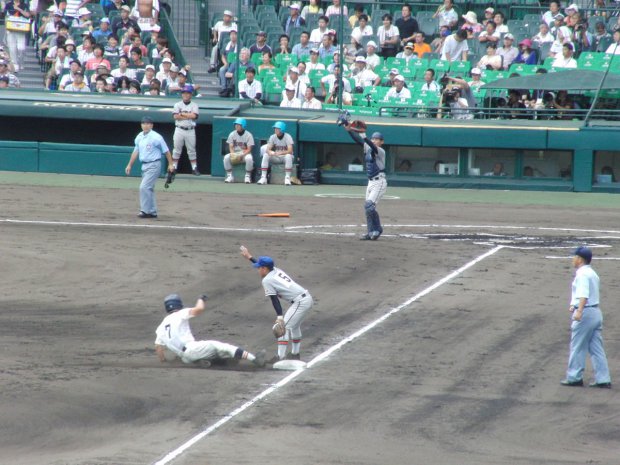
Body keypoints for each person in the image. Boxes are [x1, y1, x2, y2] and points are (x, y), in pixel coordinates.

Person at [239, 246, 314, 363]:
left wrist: (280, 317)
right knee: (294, 327)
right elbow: (264, 267)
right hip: (306, 298)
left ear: (264, 269)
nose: (258, 269)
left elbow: (274, 299)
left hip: (300, 302)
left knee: (283, 328)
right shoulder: (275, 270)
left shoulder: (266, 280)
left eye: (259, 268)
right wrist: (249, 257)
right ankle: (295, 354)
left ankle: (280, 358)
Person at [155, 293, 265, 368]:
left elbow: (158, 347)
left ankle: (201, 362)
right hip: (193, 349)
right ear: (178, 304)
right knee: (220, 347)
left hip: (185, 358)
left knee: (215, 354)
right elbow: (199, 309)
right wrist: (201, 299)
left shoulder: (161, 327)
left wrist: (164, 362)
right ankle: (254, 359)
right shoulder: (180, 314)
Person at [560, 247, 611, 388]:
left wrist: (579, 310)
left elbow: (584, 295)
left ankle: (574, 377)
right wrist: (573, 305)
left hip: (586, 314)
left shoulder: (582, 274)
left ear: (580, 259)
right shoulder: (592, 273)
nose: (573, 259)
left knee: (577, 346)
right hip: (595, 313)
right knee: (596, 348)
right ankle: (603, 379)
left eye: (574, 256)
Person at [342, 122, 387, 240]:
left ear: (381, 142)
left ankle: (377, 229)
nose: (375, 140)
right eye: (373, 138)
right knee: (367, 208)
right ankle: (370, 232)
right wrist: (348, 128)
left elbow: (371, 145)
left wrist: (364, 136)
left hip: (379, 182)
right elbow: (359, 141)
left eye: (377, 139)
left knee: (369, 206)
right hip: (371, 182)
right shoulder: (367, 145)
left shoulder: (381, 151)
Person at [124, 116, 174, 218]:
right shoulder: (139, 136)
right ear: (141, 125)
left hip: (154, 164)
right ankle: (152, 211)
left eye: (148, 124)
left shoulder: (156, 137)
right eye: (144, 123)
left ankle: (145, 211)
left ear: (151, 125)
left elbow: (166, 151)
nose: (145, 125)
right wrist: (129, 165)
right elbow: (135, 151)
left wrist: (170, 164)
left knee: (144, 187)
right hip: (144, 165)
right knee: (149, 188)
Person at [172, 85, 200, 176]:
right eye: (184, 93)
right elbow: (175, 116)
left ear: (191, 94)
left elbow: (194, 116)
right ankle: (174, 167)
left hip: (190, 130)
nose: (186, 95)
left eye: (188, 93)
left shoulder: (194, 105)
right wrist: (187, 115)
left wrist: (182, 114)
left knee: (191, 150)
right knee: (177, 149)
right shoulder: (177, 104)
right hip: (179, 129)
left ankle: (194, 168)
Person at [257, 121, 294, 186]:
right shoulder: (272, 136)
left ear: (282, 129)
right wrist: (270, 152)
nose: (275, 130)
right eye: (275, 128)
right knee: (266, 155)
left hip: (285, 157)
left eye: (277, 128)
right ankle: (263, 177)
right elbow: (268, 149)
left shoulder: (288, 136)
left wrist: (280, 153)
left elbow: (290, 150)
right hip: (276, 157)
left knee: (288, 155)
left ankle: (287, 178)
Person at [3, 0, 32, 73]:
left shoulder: (24, 5)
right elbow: (6, 16)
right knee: (12, 49)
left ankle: (21, 62)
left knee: (21, 48)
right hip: (11, 29)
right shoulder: (9, 5)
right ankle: (15, 65)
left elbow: (28, 15)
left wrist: (19, 9)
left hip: (21, 29)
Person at [223, 118, 255, 184]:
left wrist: (241, 155)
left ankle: (247, 176)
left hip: (244, 154)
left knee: (249, 158)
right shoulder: (232, 134)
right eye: (236, 125)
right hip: (235, 153)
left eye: (238, 125)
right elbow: (230, 146)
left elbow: (249, 149)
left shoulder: (248, 135)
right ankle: (230, 176)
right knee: (226, 157)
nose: (236, 126)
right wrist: (233, 155)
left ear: (243, 126)